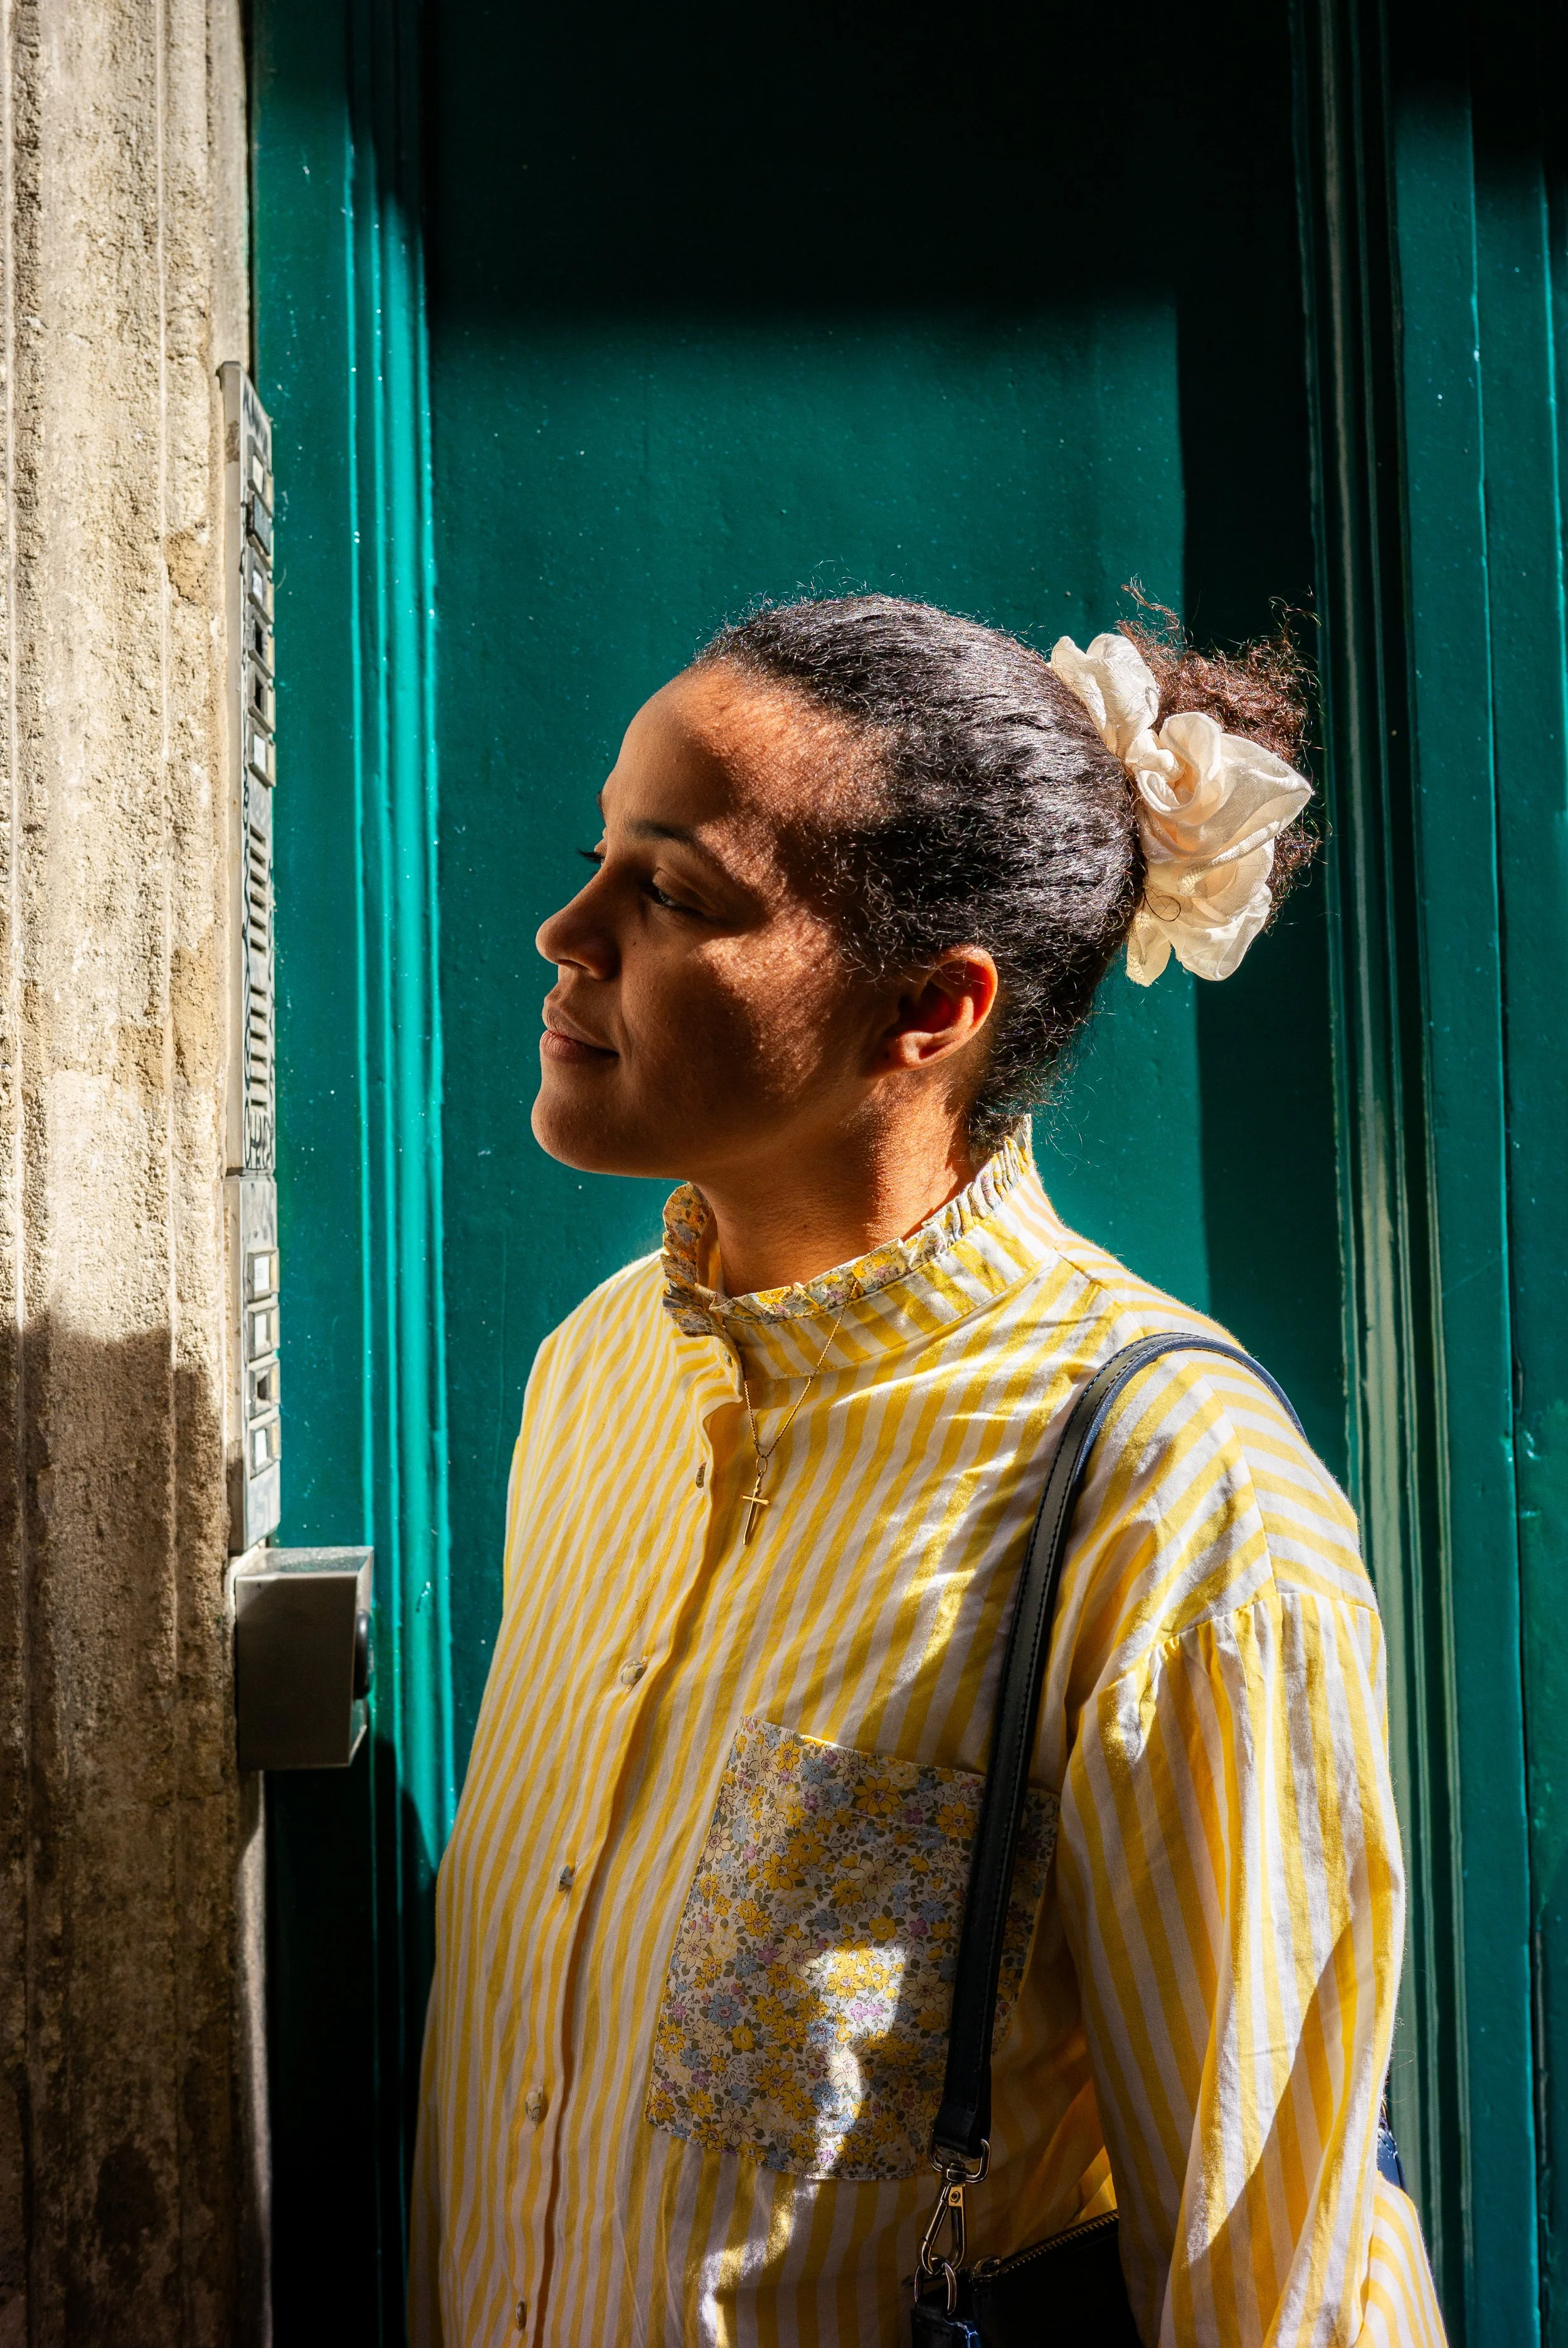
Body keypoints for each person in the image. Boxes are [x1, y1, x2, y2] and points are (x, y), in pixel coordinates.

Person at [410, 597, 1447, 2345]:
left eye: (673, 893)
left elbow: (1272, 2275)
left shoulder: (1179, 1500)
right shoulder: (598, 1371)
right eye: (599, 859)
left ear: (931, 1007)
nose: (567, 933)